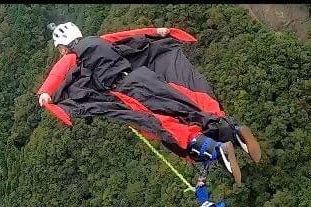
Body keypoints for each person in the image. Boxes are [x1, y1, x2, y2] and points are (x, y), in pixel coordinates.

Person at [37, 22, 261, 185]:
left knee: (162, 124)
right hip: (142, 76)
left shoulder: (72, 55)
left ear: (63, 47)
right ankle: (233, 131)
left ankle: (214, 149)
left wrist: (45, 93)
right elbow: (129, 34)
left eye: (61, 50)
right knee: (182, 106)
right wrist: (157, 31)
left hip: (126, 90)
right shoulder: (100, 39)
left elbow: (58, 73)